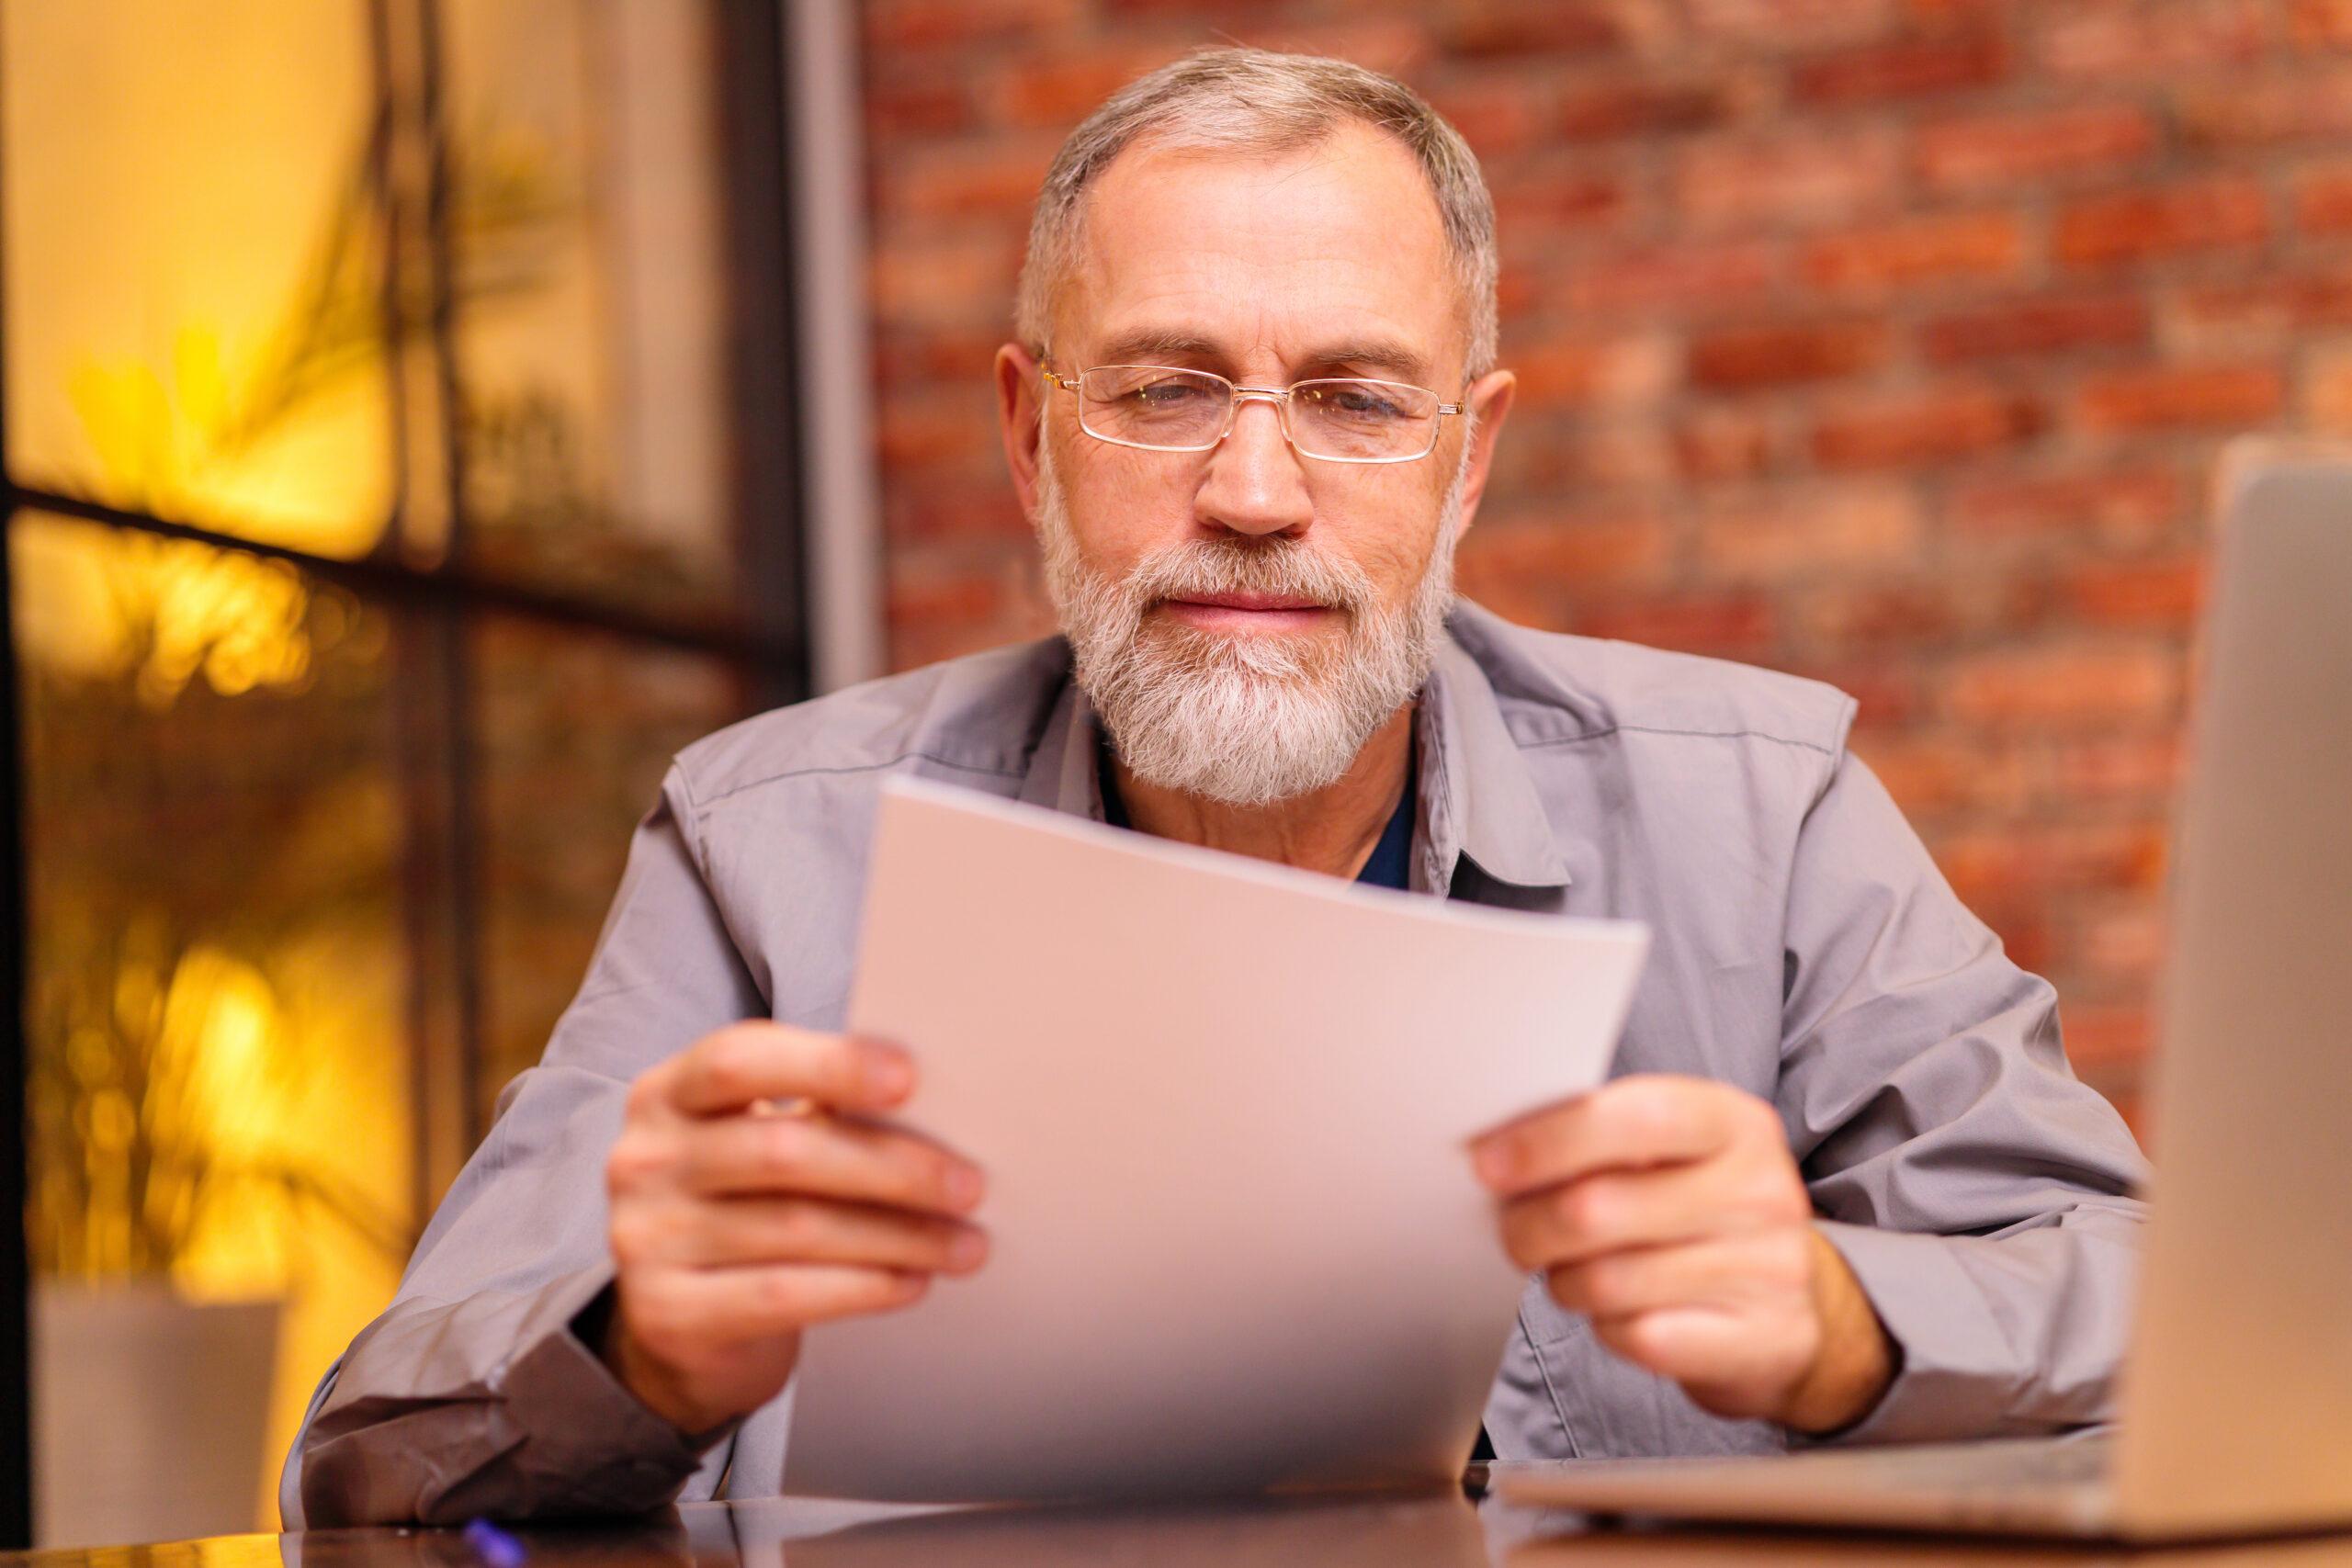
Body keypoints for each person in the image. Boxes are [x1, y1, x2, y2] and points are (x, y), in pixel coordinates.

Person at [283, 49, 2146, 1528]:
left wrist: (1843, 1326)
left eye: (1350, 398)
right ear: (1027, 433)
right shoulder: (757, 844)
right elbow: (363, 1464)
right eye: (1165, 390)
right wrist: (635, 1348)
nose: (1254, 490)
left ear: (1466, 458)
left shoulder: (1766, 811)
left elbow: (2162, 1305)